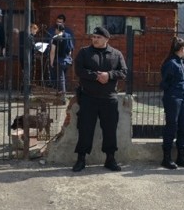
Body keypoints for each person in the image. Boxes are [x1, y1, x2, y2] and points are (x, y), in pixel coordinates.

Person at [72, 26, 128, 173]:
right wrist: (96, 76)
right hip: (88, 98)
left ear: (106, 39)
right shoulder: (85, 52)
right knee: (85, 129)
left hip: (109, 99)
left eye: (98, 37)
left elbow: (123, 72)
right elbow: (79, 70)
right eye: (94, 37)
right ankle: (81, 159)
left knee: (110, 130)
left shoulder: (116, 54)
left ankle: (110, 159)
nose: (95, 40)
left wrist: (108, 75)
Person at [159, 36, 184, 170]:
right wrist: (173, 93)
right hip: (173, 98)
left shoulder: (180, 62)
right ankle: (166, 158)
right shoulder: (171, 63)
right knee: (171, 126)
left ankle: (181, 157)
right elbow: (165, 83)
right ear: (182, 48)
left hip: (182, 98)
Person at [47, 14, 74, 88]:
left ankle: (62, 95)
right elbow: (70, 49)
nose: (58, 23)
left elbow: (52, 51)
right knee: (62, 78)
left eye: (60, 22)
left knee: (60, 79)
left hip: (58, 60)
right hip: (66, 60)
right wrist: (68, 58)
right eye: (57, 22)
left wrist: (51, 62)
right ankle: (60, 92)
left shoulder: (57, 37)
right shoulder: (67, 35)